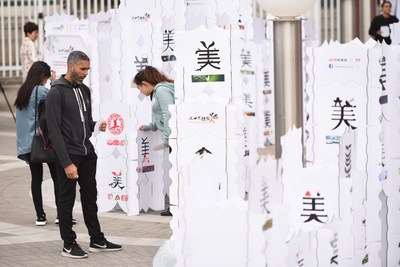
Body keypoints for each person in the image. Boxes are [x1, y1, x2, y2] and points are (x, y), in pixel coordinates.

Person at [45, 51, 122, 258]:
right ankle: (68, 244)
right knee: (66, 200)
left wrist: (96, 125)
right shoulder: (55, 93)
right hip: (68, 155)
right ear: (71, 66)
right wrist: (67, 162)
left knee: (90, 197)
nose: (86, 73)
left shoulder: (84, 90)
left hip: (87, 152)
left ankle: (96, 239)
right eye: (82, 69)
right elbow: (54, 131)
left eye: (88, 69)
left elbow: (84, 122)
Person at [14, 61, 58, 226]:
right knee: (57, 176)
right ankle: (61, 214)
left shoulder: (22, 90)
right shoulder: (40, 91)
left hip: (26, 144)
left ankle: (40, 216)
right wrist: (54, 83)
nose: (47, 80)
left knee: (36, 179)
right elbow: (56, 98)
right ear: (42, 76)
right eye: (46, 77)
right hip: (42, 142)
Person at [134, 66, 175, 216]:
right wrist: (150, 127)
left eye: (139, 88)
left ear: (145, 83)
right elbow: (161, 119)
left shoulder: (161, 91)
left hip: (173, 139)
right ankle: (175, 205)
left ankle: (176, 206)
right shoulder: (159, 90)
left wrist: (168, 139)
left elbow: (168, 115)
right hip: (171, 138)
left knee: (175, 174)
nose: (140, 92)